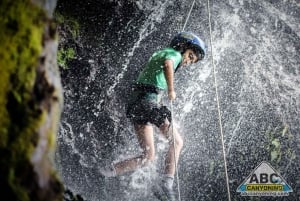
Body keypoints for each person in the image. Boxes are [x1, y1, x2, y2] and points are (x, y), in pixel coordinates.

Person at [100, 32, 206, 201]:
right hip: (146, 103)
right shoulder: (174, 54)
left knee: (148, 157)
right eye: (190, 56)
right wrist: (171, 89)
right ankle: (167, 184)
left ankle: (106, 171)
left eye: (192, 61)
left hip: (136, 104)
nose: (187, 61)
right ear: (183, 46)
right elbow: (168, 64)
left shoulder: (162, 52)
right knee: (177, 142)